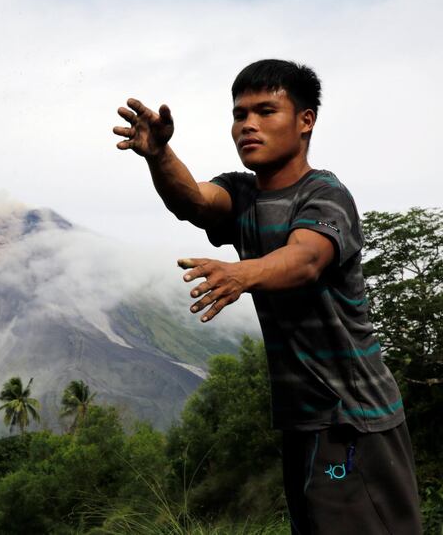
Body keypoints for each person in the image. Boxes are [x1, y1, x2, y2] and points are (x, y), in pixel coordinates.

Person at [113, 59, 423, 534]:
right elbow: (193, 201)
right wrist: (159, 154)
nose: (247, 125)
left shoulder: (325, 194)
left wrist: (241, 273)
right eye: (239, 115)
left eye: (265, 111)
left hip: (352, 421)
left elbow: (306, 259)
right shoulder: (243, 194)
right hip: (303, 423)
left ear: (305, 121)